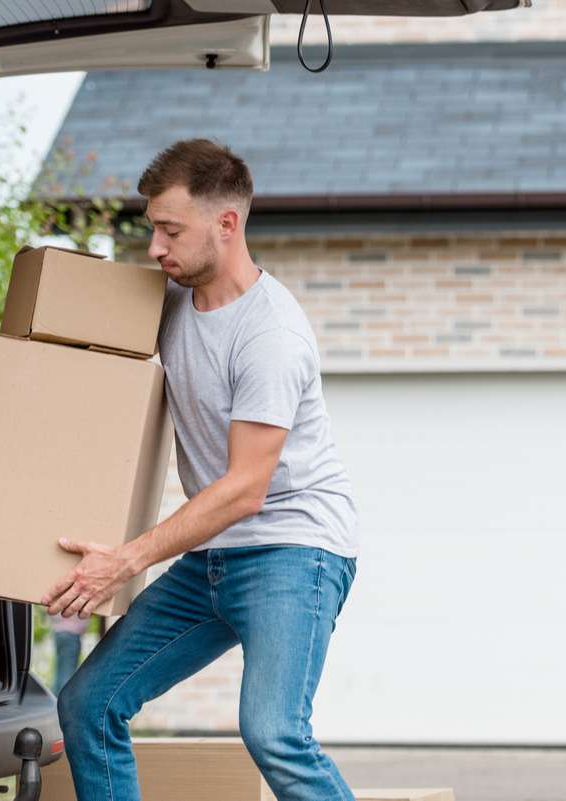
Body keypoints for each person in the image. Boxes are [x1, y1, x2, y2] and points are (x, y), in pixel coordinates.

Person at [41, 138, 359, 801]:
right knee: (89, 703)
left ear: (227, 223)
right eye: (153, 227)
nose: (155, 247)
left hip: (295, 551)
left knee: (274, 731)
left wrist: (126, 560)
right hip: (214, 558)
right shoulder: (172, 304)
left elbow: (246, 488)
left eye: (169, 230)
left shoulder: (271, 334)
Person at [48, 610, 89, 694]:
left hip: (59, 632)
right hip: (72, 634)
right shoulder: (81, 597)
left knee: (60, 672)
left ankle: (54, 701)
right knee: (68, 673)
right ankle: (63, 703)